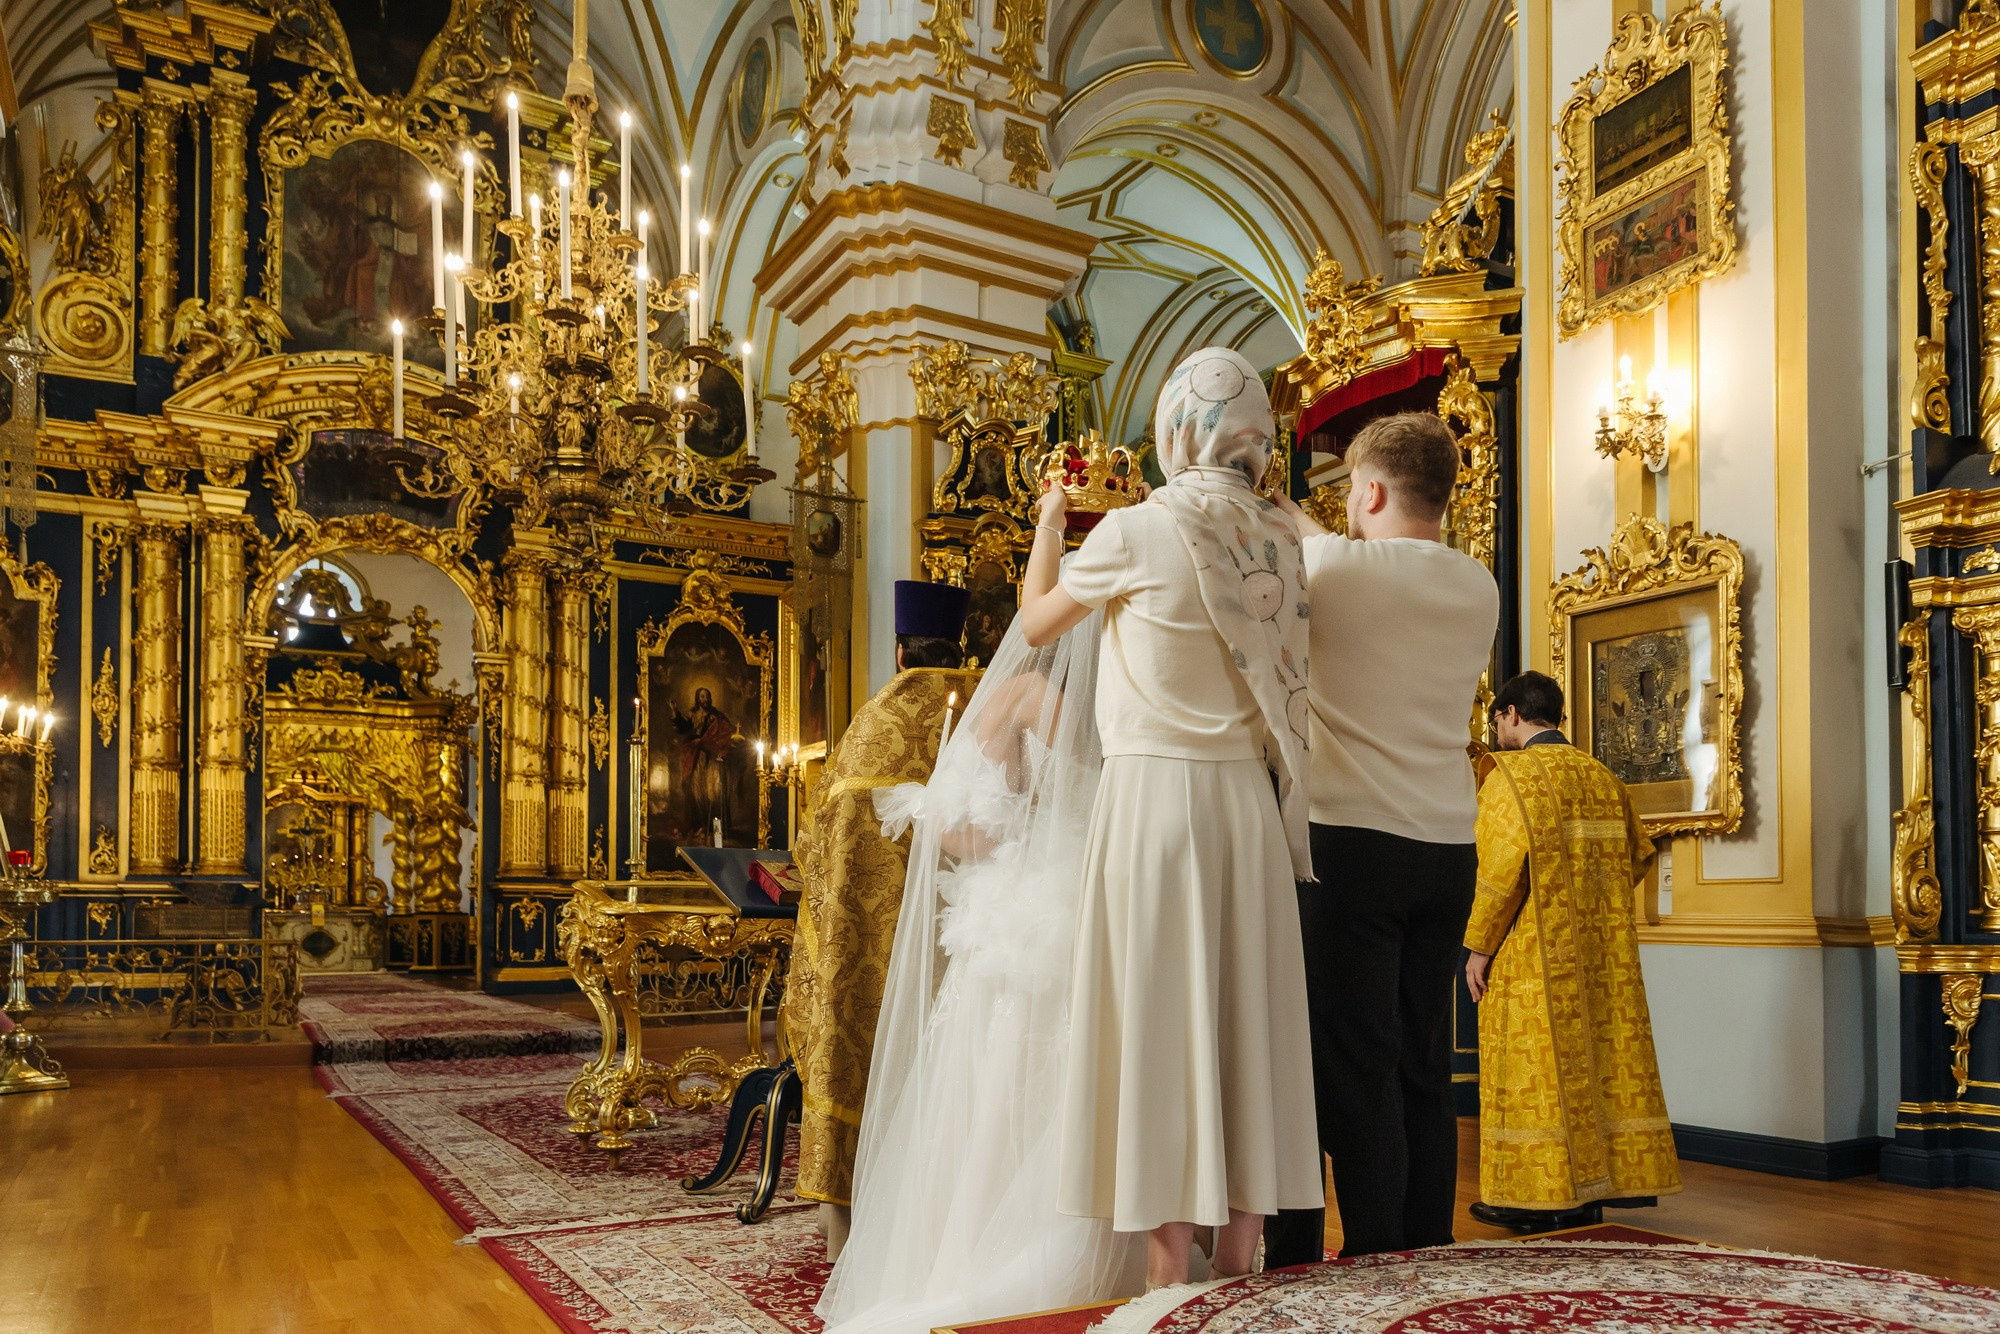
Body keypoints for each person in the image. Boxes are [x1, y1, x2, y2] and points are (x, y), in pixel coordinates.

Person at [1023, 346, 1322, 1289]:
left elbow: (1035, 623)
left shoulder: (1140, 531)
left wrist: (1050, 521)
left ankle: (1164, 1282)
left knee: (1162, 1024)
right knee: (1245, 1026)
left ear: (1172, 427)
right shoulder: (1285, 538)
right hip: (1248, 807)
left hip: (1154, 803)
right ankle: (1238, 1264)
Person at [815, 601, 1146, 1334]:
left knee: (995, 1081)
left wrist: (1021, 826)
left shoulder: (1024, 695)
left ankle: (987, 1252)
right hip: (1107, 908)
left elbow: (957, 832)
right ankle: (1117, 1263)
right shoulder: (1142, 699)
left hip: (1025, 915)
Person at [1265, 410, 1500, 1265]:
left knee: (1357, 1062)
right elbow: (1345, 545)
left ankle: (1371, 1250)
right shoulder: (1480, 584)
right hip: (1447, 847)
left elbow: (1302, 533)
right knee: (1423, 1064)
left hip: (1351, 843)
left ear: (1367, 490)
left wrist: (1290, 505)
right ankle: (1425, 1241)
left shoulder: (1334, 568)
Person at [783, 580, 979, 1260]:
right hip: (970, 932)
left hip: (864, 938)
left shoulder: (874, 721)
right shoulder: (985, 704)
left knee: (851, 1050)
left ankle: (846, 1231)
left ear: (900, 652)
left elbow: (820, 842)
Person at [1463, 670, 1681, 1232]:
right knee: (1600, 1068)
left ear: (1511, 714)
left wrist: (1478, 947)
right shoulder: (1602, 775)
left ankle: (1535, 1197)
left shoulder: (1510, 778)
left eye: (1497, 721)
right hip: (1600, 953)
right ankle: (1593, 1192)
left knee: (1535, 1075)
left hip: (1532, 951)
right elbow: (1638, 855)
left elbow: (1500, 873)